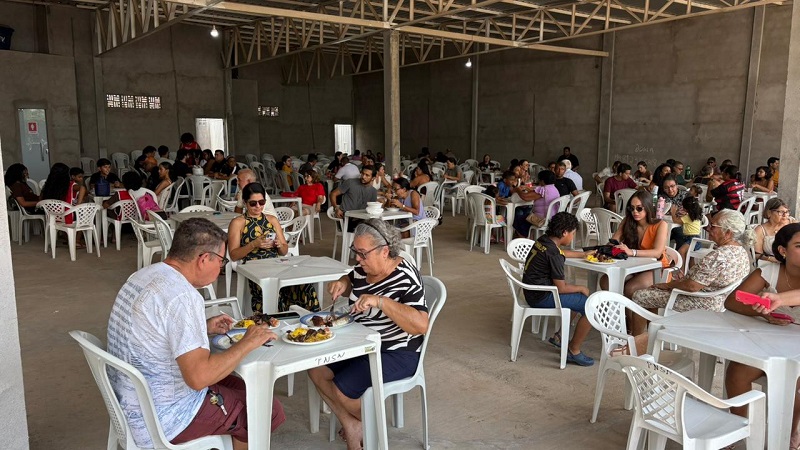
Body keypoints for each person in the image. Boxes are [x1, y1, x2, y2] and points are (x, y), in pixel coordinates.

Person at [107, 218, 285, 448]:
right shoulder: (183, 296)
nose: (221, 268)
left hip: (131, 400)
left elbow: (156, 327)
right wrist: (247, 343)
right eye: (221, 261)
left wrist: (202, 326)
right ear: (203, 259)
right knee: (267, 409)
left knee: (252, 388)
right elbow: (199, 378)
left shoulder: (143, 275)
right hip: (165, 417)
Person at [308, 219, 428, 449]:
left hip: (397, 351)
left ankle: (372, 427)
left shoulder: (405, 277)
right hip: (362, 344)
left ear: (385, 251)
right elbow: (353, 278)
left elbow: (420, 325)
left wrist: (381, 302)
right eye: (356, 252)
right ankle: (352, 424)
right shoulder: (364, 269)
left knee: (343, 389)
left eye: (363, 254)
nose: (358, 259)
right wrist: (343, 283)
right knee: (316, 368)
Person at [723, 223, 800, 446]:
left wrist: (779, 300)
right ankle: (737, 428)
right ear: (783, 251)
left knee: (795, 382)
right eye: (799, 245)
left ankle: (790, 433)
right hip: (772, 341)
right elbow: (733, 301)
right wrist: (765, 314)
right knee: (737, 372)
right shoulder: (769, 272)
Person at [630, 209, 752, 332]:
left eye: (713, 226)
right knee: (653, 293)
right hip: (719, 300)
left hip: (700, 301)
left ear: (728, 233)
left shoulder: (719, 256)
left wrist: (668, 285)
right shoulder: (742, 252)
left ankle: (637, 339)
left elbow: (692, 286)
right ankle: (651, 333)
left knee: (639, 296)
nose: (708, 229)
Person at [228, 183, 318, 313]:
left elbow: (284, 251)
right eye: (253, 203)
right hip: (254, 268)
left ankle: (312, 320)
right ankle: (278, 320)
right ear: (245, 202)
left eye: (261, 202)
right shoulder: (238, 222)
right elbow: (233, 255)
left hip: (276, 264)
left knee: (305, 287)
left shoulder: (272, 220)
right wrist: (253, 244)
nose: (258, 206)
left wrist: (279, 245)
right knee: (272, 292)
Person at [522, 212, 593, 366]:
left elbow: (560, 253)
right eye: (573, 234)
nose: (573, 237)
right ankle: (574, 350)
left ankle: (559, 337)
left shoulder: (544, 241)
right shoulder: (554, 255)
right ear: (564, 232)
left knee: (577, 296)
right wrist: (582, 287)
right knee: (590, 307)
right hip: (542, 297)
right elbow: (561, 288)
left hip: (532, 292)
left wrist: (582, 254)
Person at [603, 190, 670, 298]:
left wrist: (632, 252)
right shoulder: (627, 221)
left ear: (648, 207)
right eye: (631, 208)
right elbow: (613, 241)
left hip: (657, 268)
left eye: (639, 208)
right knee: (606, 281)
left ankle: (628, 309)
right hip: (633, 266)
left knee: (631, 288)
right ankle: (618, 308)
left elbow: (657, 253)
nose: (635, 212)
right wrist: (603, 249)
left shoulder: (661, 224)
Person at [513, 170, 560, 238]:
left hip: (541, 219)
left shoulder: (544, 189)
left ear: (542, 181)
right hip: (552, 217)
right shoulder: (554, 188)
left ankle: (525, 239)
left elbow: (525, 197)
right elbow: (536, 192)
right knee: (525, 216)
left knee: (518, 218)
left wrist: (518, 190)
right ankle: (529, 236)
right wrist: (528, 188)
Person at [330, 166, 378, 231]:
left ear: (373, 178)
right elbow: (333, 194)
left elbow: (372, 209)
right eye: (362, 174)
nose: (363, 177)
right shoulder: (350, 182)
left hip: (362, 219)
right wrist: (336, 208)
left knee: (376, 227)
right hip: (346, 217)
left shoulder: (373, 191)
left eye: (367, 175)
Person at [754, 198, 796, 265]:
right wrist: (770, 259)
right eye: (781, 212)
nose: (785, 215)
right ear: (769, 213)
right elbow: (756, 254)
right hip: (771, 263)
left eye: (787, 212)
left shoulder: (793, 224)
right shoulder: (760, 230)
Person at [669, 195, 703, 264]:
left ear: (686, 209)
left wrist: (673, 212)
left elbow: (675, 220)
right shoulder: (695, 216)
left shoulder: (688, 217)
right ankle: (691, 270)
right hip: (696, 239)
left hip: (692, 239)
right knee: (690, 257)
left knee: (681, 252)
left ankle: (681, 269)